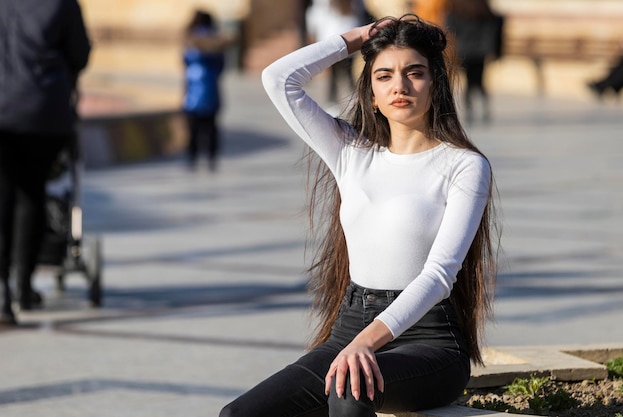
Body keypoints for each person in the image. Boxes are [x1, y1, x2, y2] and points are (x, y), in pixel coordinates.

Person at [220, 14, 499, 416]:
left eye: (414, 73)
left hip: (428, 340)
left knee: (349, 394)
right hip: (350, 327)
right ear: (370, 92)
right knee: (238, 414)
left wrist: (367, 342)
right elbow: (279, 80)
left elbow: (439, 276)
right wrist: (356, 38)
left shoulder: (464, 166)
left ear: (436, 84)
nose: (399, 86)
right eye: (384, 76)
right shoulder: (350, 152)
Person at [0, 0, 91, 325]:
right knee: (32, 193)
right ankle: (23, 287)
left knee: (4, 196)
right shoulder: (62, 3)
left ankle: (2, 294)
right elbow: (80, 53)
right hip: (42, 110)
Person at [182, 10, 229, 172]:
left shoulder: (191, 38)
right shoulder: (216, 40)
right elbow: (222, 64)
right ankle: (211, 159)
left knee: (193, 128)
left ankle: (192, 158)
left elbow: (185, 60)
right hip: (211, 86)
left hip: (193, 87)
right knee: (211, 127)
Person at [445, 0, 503, 123]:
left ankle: (470, 109)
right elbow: (495, 25)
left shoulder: (458, 9)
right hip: (480, 51)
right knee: (479, 80)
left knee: (469, 80)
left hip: (465, 50)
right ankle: (484, 108)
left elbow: (451, 27)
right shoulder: (483, 9)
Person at [307, 0, 364, 104]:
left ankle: (333, 102)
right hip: (350, 39)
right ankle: (354, 101)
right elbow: (360, 12)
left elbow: (315, 17)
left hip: (331, 40)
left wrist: (315, 38)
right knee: (349, 74)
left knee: (333, 75)